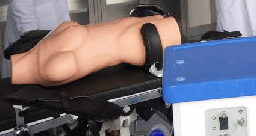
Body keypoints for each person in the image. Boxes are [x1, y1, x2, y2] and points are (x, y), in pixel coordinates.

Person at [9, 14, 182, 86]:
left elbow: (72, 31)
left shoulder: (46, 60)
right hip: (138, 43)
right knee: (137, 32)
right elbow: (72, 32)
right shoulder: (50, 70)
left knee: (134, 28)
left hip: (135, 34)